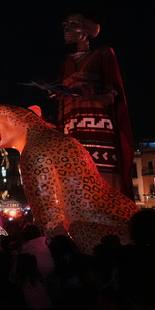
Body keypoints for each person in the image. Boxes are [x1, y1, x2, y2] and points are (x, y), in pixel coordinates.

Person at [58, 13, 134, 195]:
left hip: (97, 128)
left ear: (87, 30)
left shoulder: (103, 54)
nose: (67, 29)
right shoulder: (67, 62)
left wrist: (86, 96)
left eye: (73, 24)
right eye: (65, 25)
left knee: (100, 180)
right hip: (72, 130)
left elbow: (112, 94)